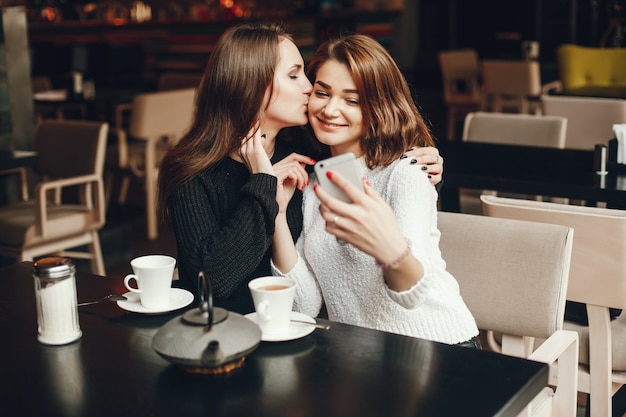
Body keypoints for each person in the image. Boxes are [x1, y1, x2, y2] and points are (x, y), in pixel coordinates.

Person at [157, 22, 445, 315]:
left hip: (296, 330)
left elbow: (375, 168)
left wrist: (418, 161)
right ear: (250, 85)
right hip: (221, 333)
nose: (309, 88)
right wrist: (261, 183)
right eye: (294, 75)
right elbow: (213, 281)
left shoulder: (309, 152)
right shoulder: (192, 169)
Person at [271, 34, 479, 347]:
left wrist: (390, 250)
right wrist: (276, 214)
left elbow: (413, 292)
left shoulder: (407, 171)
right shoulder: (314, 183)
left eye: (352, 100)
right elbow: (304, 305)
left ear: (378, 106)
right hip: (365, 359)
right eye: (322, 93)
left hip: (439, 349)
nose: (330, 109)